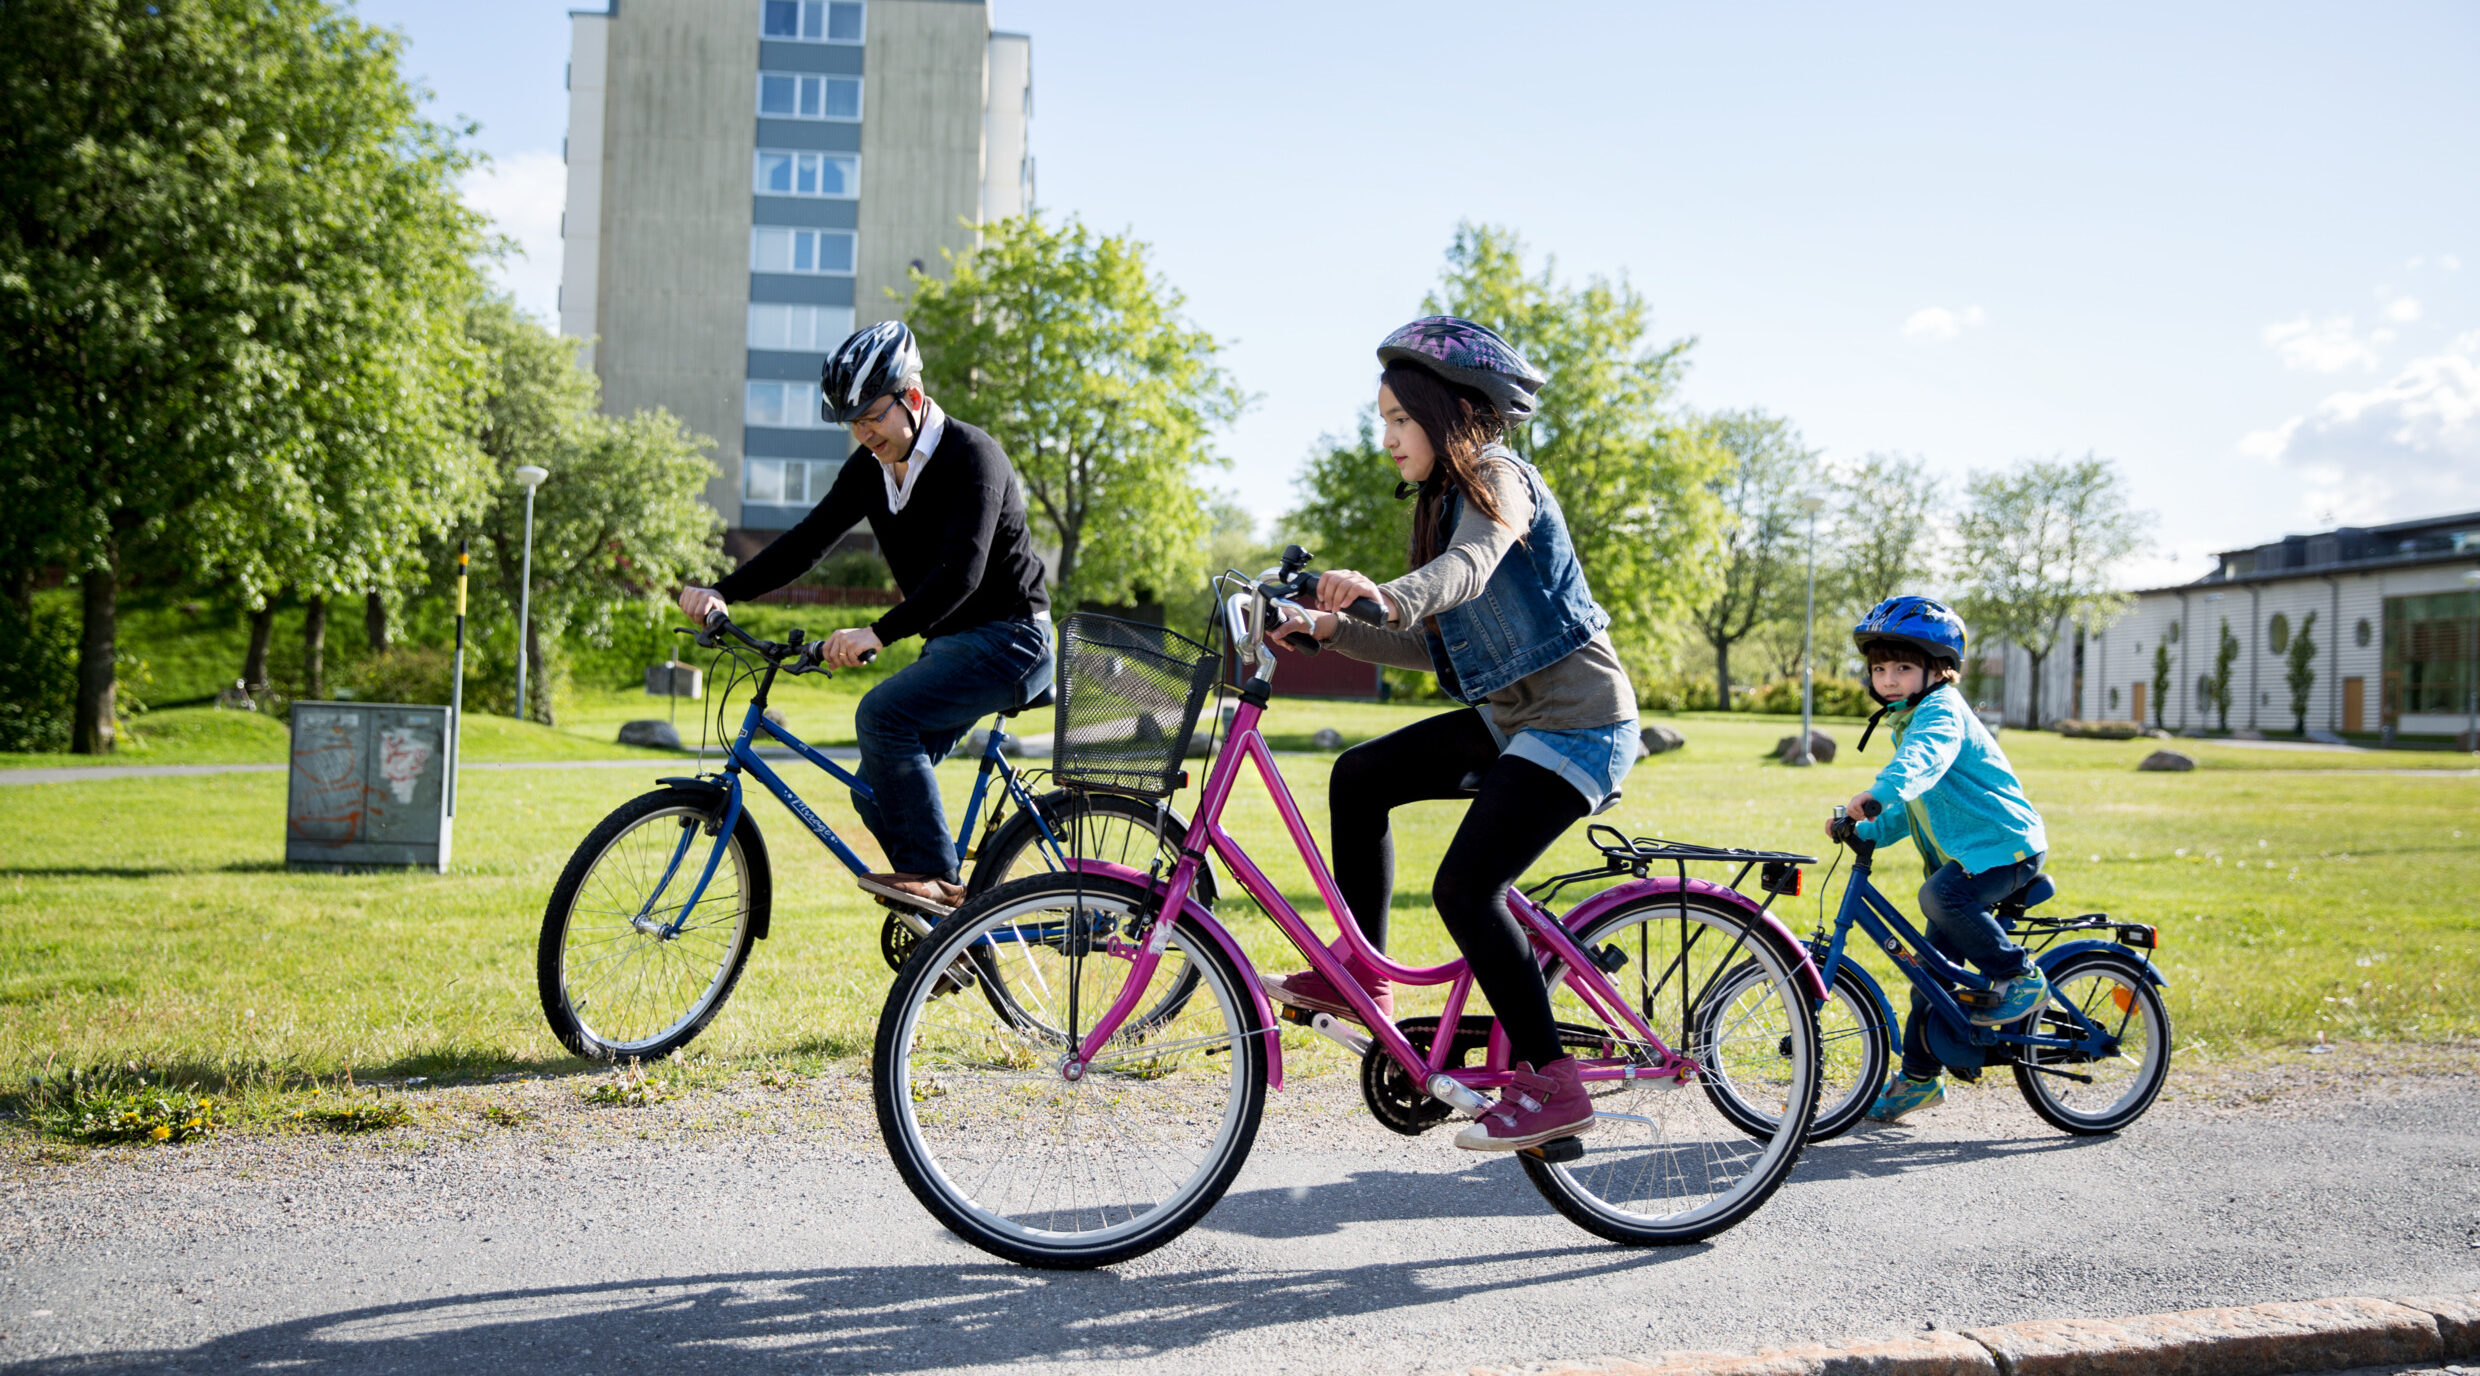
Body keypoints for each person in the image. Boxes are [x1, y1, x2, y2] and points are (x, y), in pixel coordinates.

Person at [1262, 316, 1640, 1153]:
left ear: (1448, 412)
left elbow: (1464, 573)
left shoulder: (1500, 482)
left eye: (1400, 419)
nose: (1387, 437)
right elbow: (1424, 642)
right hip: (1513, 723)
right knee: (1358, 777)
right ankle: (1361, 974)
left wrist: (1388, 594)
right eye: (1384, 419)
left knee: (1467, 889)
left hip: (1579, 724)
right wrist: (1329, 629)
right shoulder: (1439, 506)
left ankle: (1552, 1083)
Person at [678, 321, 1052, 916]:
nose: (862, 431)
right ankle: (949, 932)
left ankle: (939, 892)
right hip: (954, 646)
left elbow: (963, 575)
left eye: (871, 415)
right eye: (850, 421)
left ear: (912, 398)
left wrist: (877, 632)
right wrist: (723, 591)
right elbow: (806, 543)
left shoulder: (972, 456)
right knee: (875, 792)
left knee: (881, 715)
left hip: (1013, 639)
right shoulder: (869, 469)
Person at [1834, 596, 2052, 1124]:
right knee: (1928, 974)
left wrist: (1878, 791)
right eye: (1880, 668)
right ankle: (1919, 1079)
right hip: (1972, 856)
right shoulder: (1908, 718)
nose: (1889, 678)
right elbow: (1914, 802)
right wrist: (1867, 827)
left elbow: (1919, 765)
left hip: (2006, 848)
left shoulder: (1940, 713)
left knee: (1937, 896)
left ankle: (2019, 975)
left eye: (1903, 667)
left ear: (1939, 669)